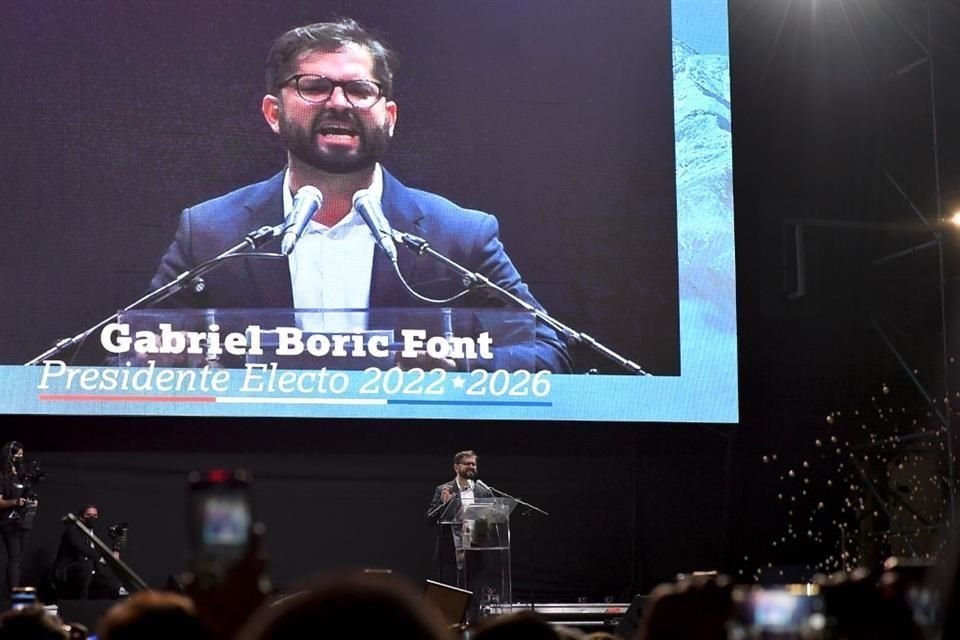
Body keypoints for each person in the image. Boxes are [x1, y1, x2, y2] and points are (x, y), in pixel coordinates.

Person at [149, 18, 572, 374]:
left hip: (403, 459)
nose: (338, 103)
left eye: (360, 90)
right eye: (313, 86)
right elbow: (136, 348)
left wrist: (457, 367)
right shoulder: (211, 234)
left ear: (388, 117)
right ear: (274, 113)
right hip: (258, 457)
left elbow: (546, 350)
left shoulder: (458, 237)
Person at [426, 450, 496, 620]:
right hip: (451, 551)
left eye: (474, 464)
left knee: (475, 594)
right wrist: (445, 504)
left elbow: (490, 521)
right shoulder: (444, 489)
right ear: (456, 467)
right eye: (468, 463)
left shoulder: (483, 490)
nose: (472, 466)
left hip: (476, 550)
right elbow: (429, 519)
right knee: (451, 595)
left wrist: (487, 521)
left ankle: (472, 627)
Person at [52, 505, 122, 599]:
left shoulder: (96, 533)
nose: (92, 518)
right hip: (68, 570)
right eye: (88, 515)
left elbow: (104, 552)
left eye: (95, 515)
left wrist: (115, 551)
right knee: (87, 565)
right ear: (81, 517)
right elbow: (81, 547)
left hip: (91, 571)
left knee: (112, 581)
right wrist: (102, 559)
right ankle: (82, 605)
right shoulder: (72, 530)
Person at [0, 441, 35, 594]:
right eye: (17, 454)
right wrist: (14, 501)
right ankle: (14, 595)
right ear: (9, 455)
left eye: (22, 454)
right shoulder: (2, 476)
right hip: (9, 521)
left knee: (19, 559)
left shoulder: (22, 475)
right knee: (14, 558)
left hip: (24, 520)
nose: (20, 457)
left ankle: (18, 593)